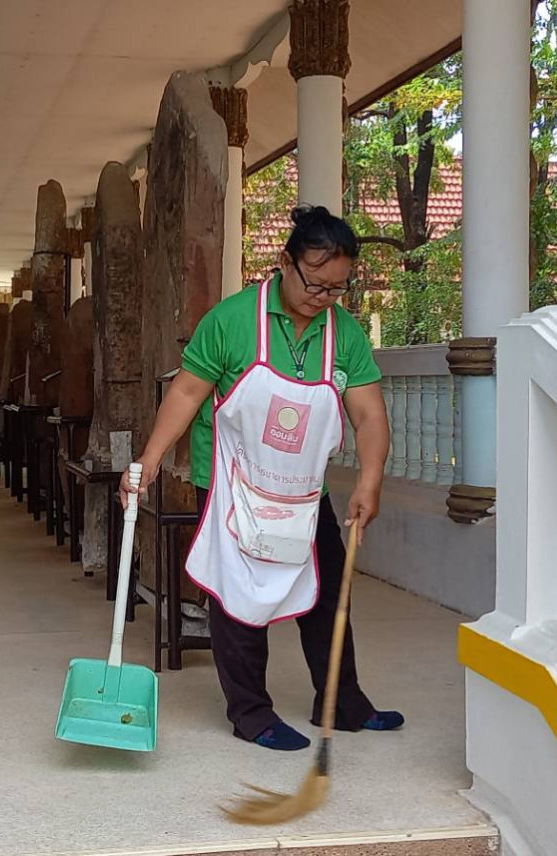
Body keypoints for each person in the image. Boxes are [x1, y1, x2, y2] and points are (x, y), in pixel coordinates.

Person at [123, 205, 399, 751]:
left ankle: (341, 702)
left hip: (303, 489)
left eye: (337, 289)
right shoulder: (231, 321)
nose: (323, 298)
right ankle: (251, 713)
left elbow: (369, 415)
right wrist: (150, 459)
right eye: (315, 283)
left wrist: (371, 480)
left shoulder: (343, 333)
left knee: (326, 592)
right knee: (241, 596)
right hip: (231, 483)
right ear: (285, 263)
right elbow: (187, 392)